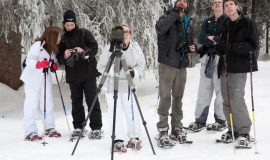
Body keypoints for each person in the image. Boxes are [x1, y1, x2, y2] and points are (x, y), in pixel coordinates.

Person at [216, 0, 259, 146]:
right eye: (226, 6)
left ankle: (244, 132)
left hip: (239, 68)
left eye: (230, 5)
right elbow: (221, 45)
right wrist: (218, 46)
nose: (228, 8)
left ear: (236, 6)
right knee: (226, 101)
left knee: (237, 99)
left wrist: (231, 47)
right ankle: (232, 129)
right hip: (225, 68)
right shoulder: (225, 24)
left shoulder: (247, 23)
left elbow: (253, 45)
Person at [97, 25, 146, 152]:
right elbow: (100, 67)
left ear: (130, 33)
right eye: (120, 32)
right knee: (115, 111)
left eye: (126, 32)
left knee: (131, 110)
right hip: (112, 84)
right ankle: (118, 139)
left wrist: (134, 71)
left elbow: (142, 65)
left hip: (129, 84)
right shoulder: (109, 48)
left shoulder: (135, 48)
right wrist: (112, 71)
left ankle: (134, 136)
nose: (124, 34)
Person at [155, 0, 196, 145]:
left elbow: (188, 40)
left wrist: (192, 47)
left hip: (182, 64)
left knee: (178, 97)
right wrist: (174, 14)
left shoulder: (188, 21)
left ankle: (177, 127)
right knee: (165, 97)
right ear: (175, 3)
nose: (183, 3)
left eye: (185, 2)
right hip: (167, 63)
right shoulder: (167, 16)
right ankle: (163, 129)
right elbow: (160, 29)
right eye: (180, 1)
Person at [57, 10, 103, 139]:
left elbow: (94, 48)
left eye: (71, 25)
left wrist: (84, 51)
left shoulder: (85, 33)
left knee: (92, 100)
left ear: (75, 23)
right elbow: (59, 58)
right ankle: (78, 127)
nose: (69, 27)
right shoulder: (63, 39)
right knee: (76, 101)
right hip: (73, 76)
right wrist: (64, 55)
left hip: (88, 73)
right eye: (67, 25)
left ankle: (96, 128)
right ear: (64, 25)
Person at [188, 0, 227, 131]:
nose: (217, 3)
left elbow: (224, 40)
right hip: (207, 60)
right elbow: (201, 38)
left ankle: (220, 120)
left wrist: (212, 38)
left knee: (220, 91)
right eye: (215, 2)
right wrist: (212, 39)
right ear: (212, 6)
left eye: (219, 2)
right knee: (203, 91)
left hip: (221, 59)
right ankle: (200, 120)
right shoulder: (207, 21)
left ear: (223, 5)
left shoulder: (227, 20)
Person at [20, 26, 62, 141]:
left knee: (48, 104)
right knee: (31, 105)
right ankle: (30, 131)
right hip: (32, 80)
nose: (60, 38)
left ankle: (49, 128)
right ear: (53, 36)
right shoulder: (37, 46)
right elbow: (29, 61)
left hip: (44, 79)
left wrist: (53, 66)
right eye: (58, 36)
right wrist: (39, 64)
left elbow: (52, 61)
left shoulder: (52, 48)